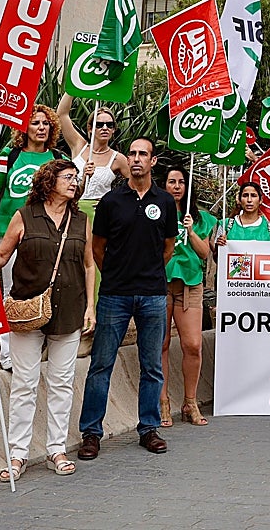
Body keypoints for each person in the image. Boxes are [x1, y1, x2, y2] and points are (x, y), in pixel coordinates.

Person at [0, 160, 95, 481]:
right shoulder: (24, 216)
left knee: (62, 383)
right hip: (27, 311)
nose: (74, 181)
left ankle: (56, 448)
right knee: (24, 384)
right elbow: (1, 255)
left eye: (75, 178)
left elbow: (90, 265)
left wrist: (90, 306)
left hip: (70, 310)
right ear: (49, 181)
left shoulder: (81, 221)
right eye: (68, 177)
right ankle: (17, 455)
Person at [77, 138, 177, 460]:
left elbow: (167, 248)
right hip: (114, 296)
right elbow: (98, 248)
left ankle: (148, 428)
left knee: (151, 366)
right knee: (101, 365)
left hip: (152, 296)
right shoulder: (110, 201)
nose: (135, 159)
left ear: (153, 161)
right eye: (131, 154)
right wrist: (118, 275)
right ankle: (91, 433)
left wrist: (146, 274)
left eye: (142, 154)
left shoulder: (165, 201)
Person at [0, 104, 65, 371]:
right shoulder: (8, 156)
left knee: (42, 292)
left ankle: (35, 348)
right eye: (35, 123)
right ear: (25, 128)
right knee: (11, 292)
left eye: (46, 123)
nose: (41, 127)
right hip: (9, 234)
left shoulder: (56, 158)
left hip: (44, 237)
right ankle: (8, 355)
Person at [160, 167, 215, 428]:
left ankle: (190, 402)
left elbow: (205, 254)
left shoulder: (201, 218)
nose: (177, 186)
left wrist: (191, 231)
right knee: (160, 343)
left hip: (190, 284)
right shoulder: (155, 211)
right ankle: (162, 402)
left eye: (182, 182)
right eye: (172, 181)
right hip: (160, 283)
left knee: (192, 344)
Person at [57, 95, 131, 215]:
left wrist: (114, 201)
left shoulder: (118, 158)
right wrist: (72, 87)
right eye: (99, 124)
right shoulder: (79, 145)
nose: (105, 128)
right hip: (72, 209)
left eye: (109, 125)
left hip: (100, 214)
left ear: (113, 130)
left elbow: (136, 184)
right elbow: (62, 115)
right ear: (90, 128)